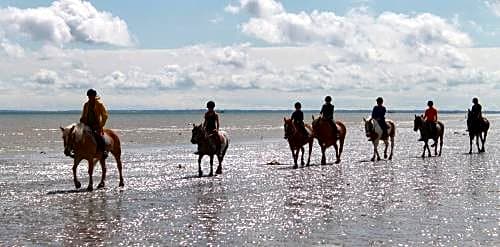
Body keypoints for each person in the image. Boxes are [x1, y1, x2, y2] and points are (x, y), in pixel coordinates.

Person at [80, 89, 108, 158]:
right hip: (87, 124)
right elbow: (83, 115)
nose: (89, 98)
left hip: (96, 125)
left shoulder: (99, 104)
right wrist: (82, 119)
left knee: (98, 136)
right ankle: (77, 150)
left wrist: (100, 125)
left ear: (94, 96)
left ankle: (104, 150)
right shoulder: (86, 105)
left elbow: (105, 116)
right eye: (89, 96)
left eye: (91, 96)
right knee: (78, 134)